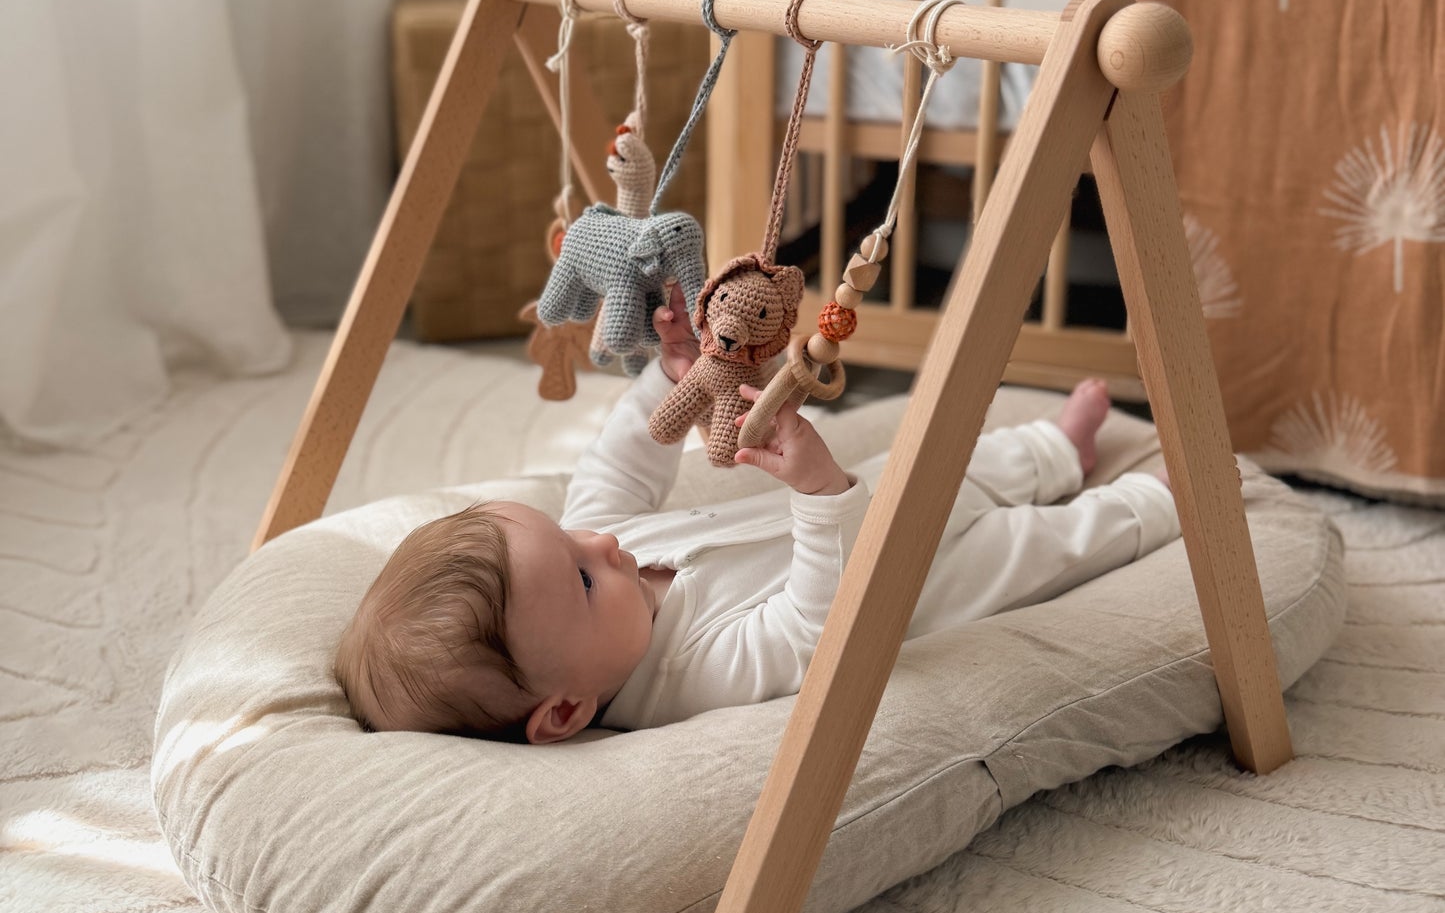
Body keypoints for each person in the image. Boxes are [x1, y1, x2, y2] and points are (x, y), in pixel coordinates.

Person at [335, 287, 1178, 744]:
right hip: (927, 582)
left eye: (568, 537)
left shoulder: (607, 557)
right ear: (566, 711)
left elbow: (618, 466)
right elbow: (812, 628)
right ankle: (1160, 503)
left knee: (967, 463)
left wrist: (671, 380)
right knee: (1051, 543)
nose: (597, 542)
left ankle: (1059, 451)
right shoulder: (689, 680)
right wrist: (815, 498)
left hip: (870, 498)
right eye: (583, 577)